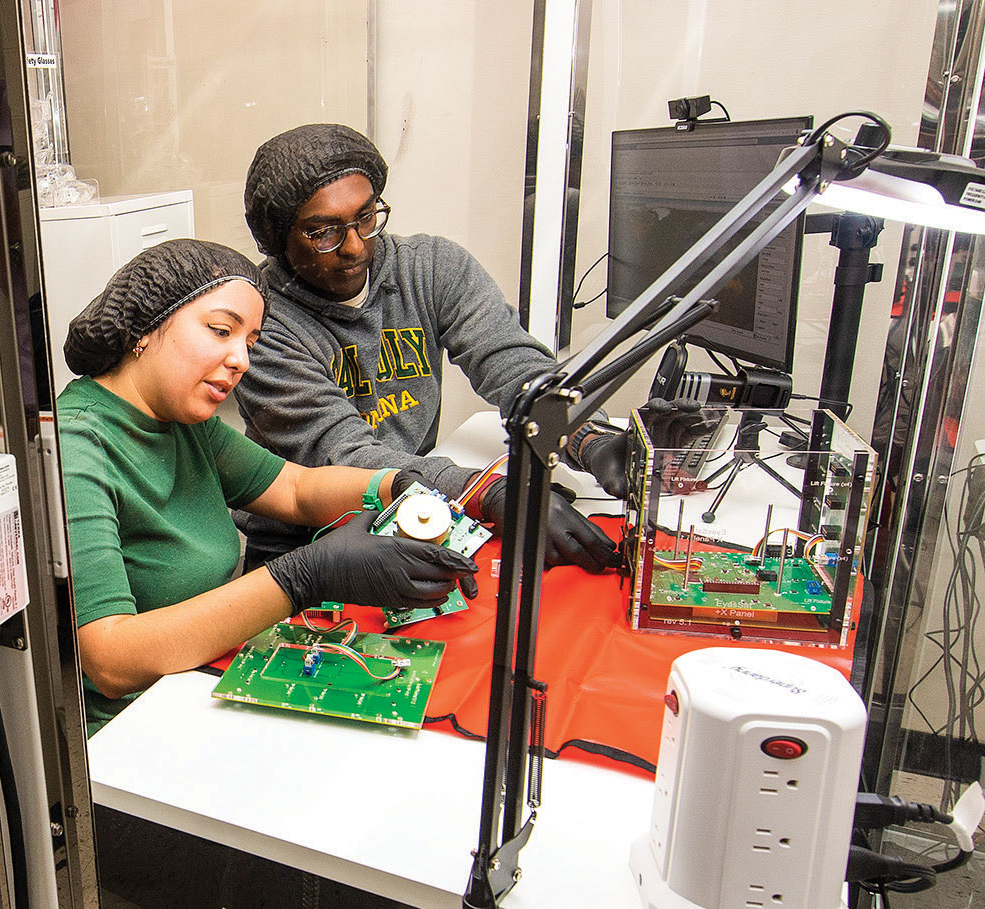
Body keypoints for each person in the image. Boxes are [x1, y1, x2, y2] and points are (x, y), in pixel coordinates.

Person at [60, 237, 469, 909]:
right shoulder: (81, 447)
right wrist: (302, 576)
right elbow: (110, 656)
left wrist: (409, 483)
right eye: (221, 331)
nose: (240, 359)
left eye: (250, 340)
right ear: (142, 330)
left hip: (202, 684)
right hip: (133, 747)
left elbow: (301, 489)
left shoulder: (179, 419)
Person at [230, 123, 689, 575]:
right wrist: (484, 492)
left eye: (366, 218)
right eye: (323, 232)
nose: (354, 247)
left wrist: (586, 436)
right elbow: (341, 453)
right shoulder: (258, 320)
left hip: (418, 506)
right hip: (304, 541)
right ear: (276, 239)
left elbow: (510, 364)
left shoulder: (432, 268)